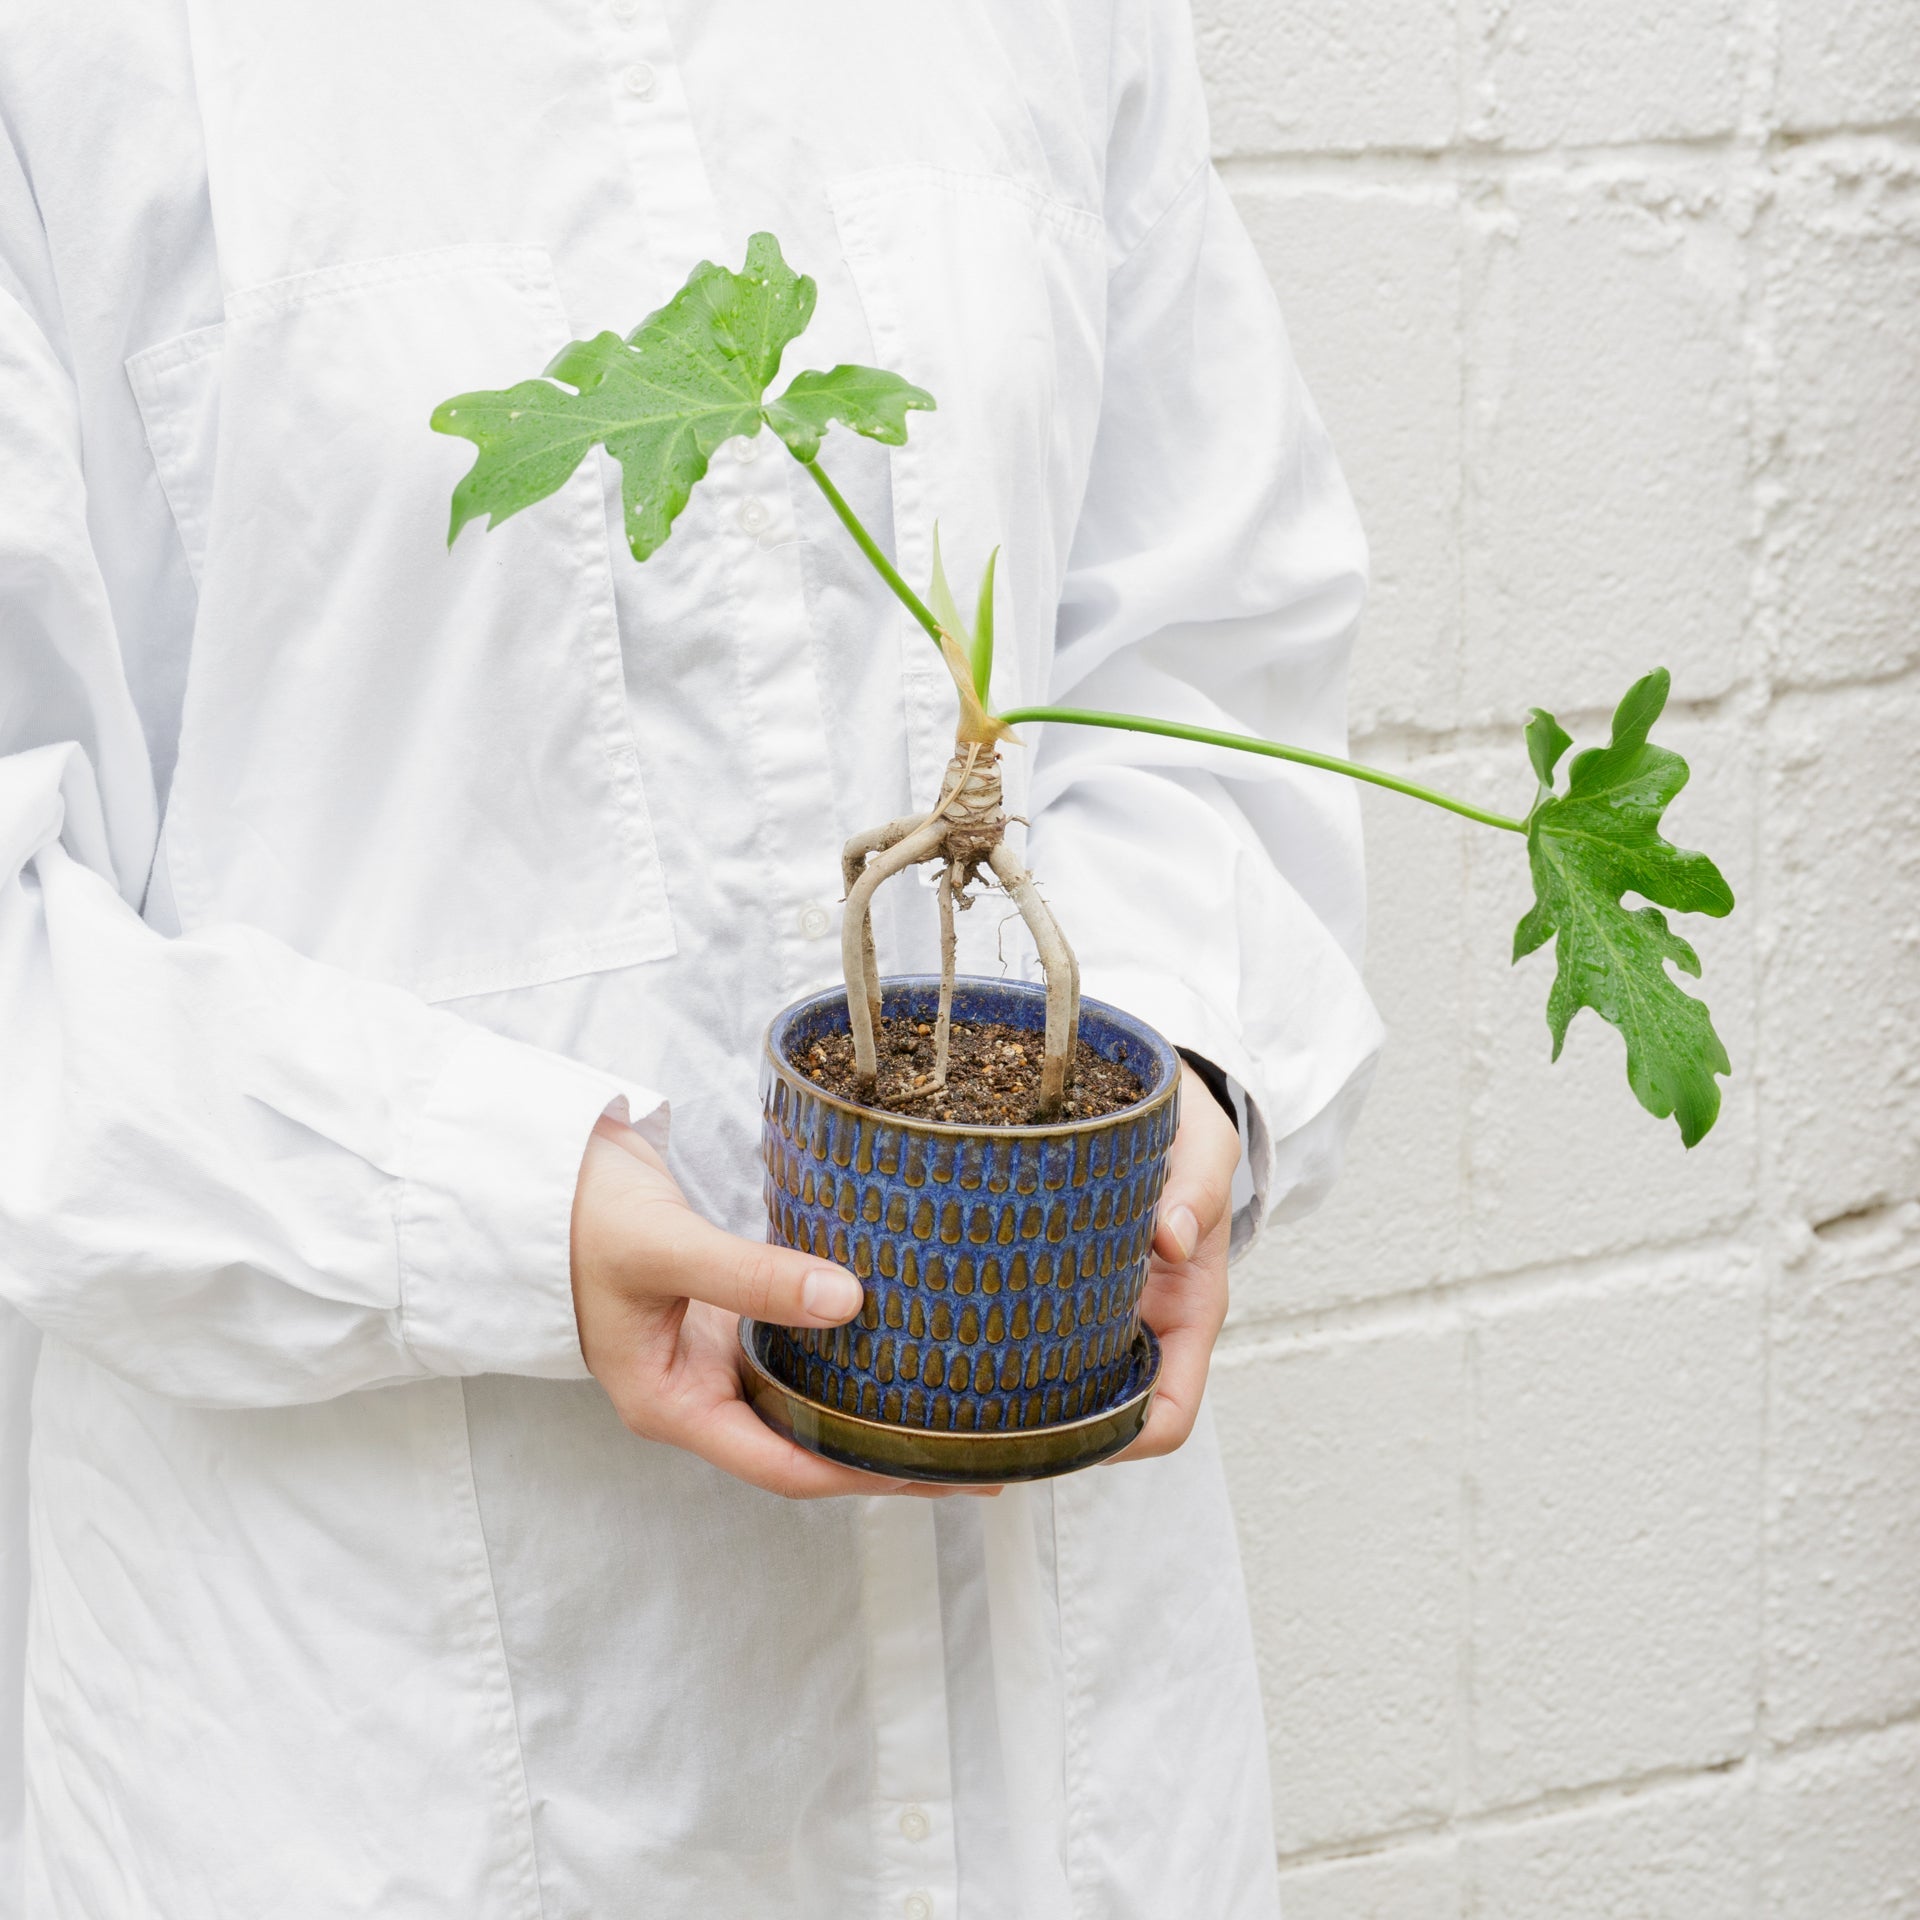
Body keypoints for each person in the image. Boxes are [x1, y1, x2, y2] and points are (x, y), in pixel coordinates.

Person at [0, 2, 1382, 1913]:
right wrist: (492, 1203)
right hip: (372, 1746)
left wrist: (1180, 1074)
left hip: (1059, 1747)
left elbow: (1206, 637)